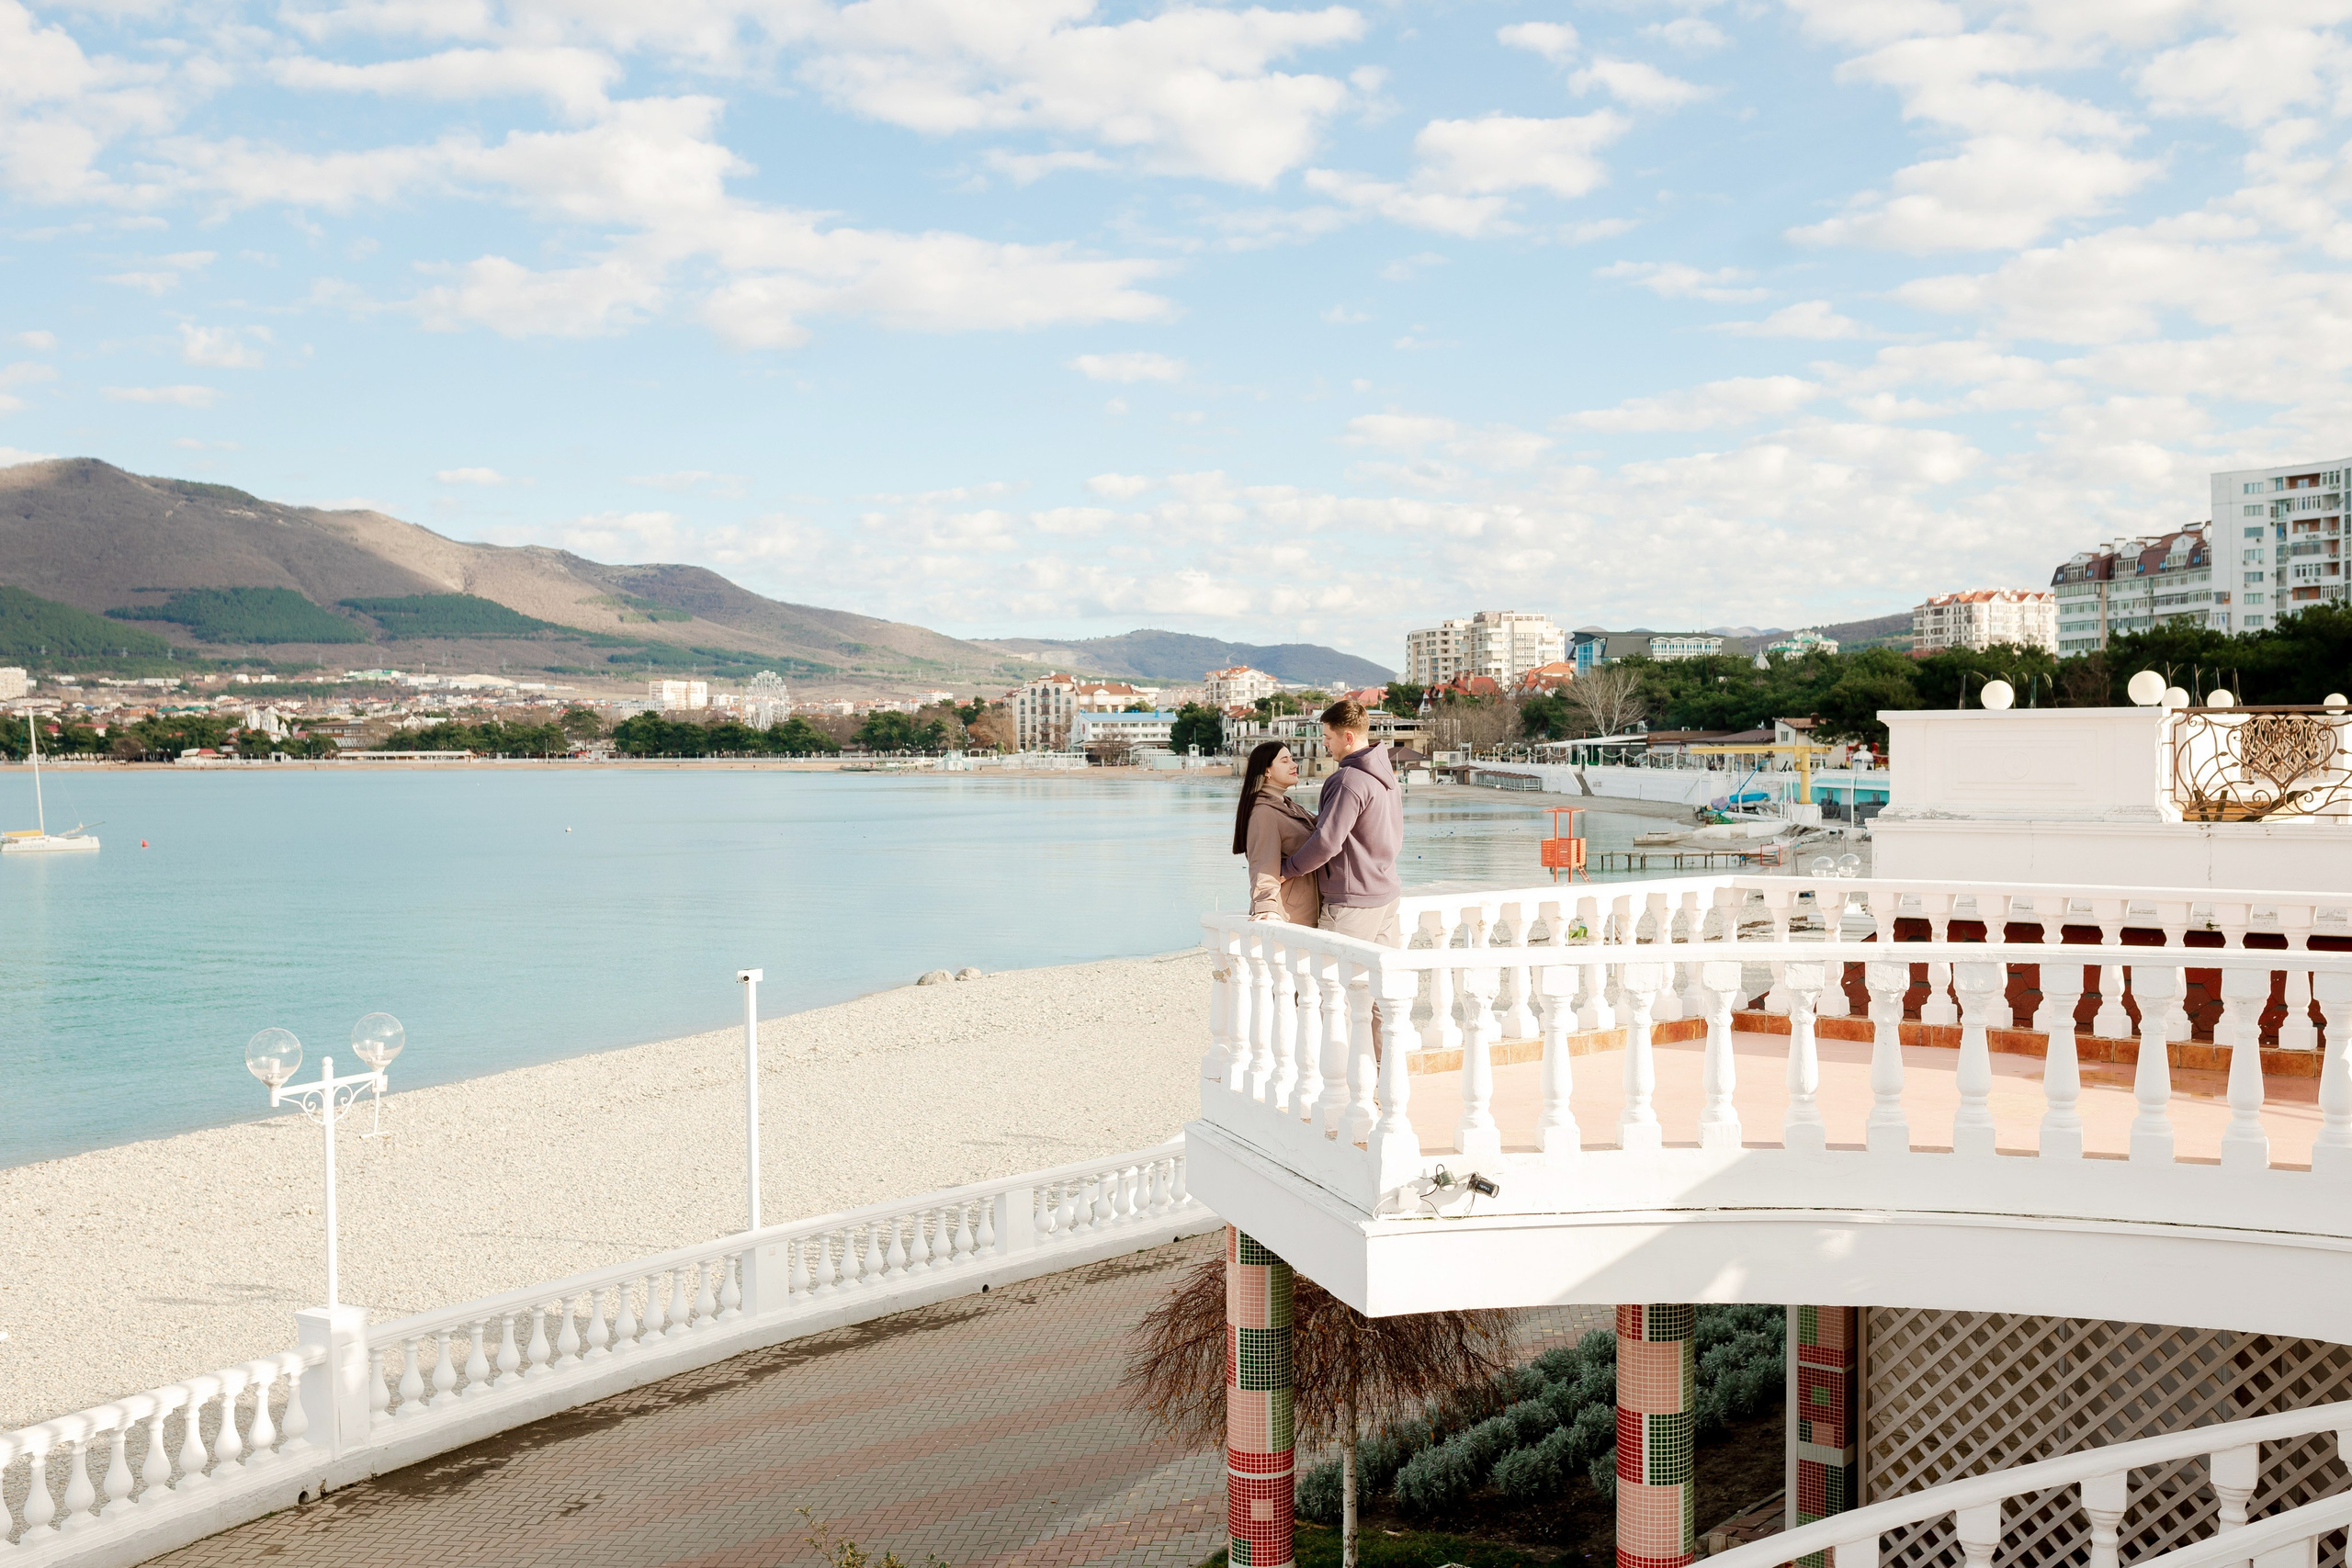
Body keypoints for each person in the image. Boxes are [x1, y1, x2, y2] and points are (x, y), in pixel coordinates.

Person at [1282, 698, 1402, 948]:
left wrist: (1287, 869)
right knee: (1374, 973)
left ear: (1348, 737)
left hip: (1353, 904)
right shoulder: (1387, 777)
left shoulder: (1348, 781)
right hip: (1386, 896)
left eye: (1328, 737)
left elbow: (1326, 842)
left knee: (1331, 972)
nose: (1324, 743)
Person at [1233, 740, 1320, 926]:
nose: (1294, 765)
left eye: (1292, 759)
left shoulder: (1288, 806)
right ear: (1267, 771)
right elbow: (1262, 862)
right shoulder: (1264, 813)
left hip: (1304, 909)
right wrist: (1265, 905)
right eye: (1285, 761)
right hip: (1289, 913)